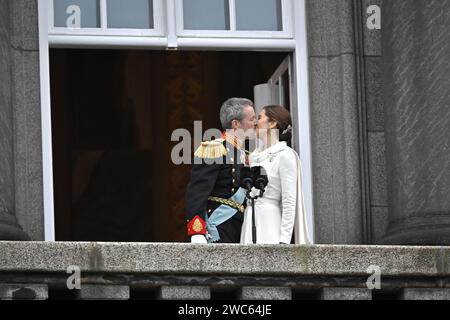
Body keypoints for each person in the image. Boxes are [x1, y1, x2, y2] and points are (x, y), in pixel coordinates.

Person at [186, 98, 257, 244]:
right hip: (220, 226)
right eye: (252, 119)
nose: (256, 123)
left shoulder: (246, 154)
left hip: (242, 228)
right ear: (236, 124)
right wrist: (197, 231)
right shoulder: (213, 148)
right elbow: (197, 191)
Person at [240, 106, 312, 245]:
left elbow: (289, 200)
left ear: (272, 123)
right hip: (249, 219)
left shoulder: (285, 155)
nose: (255, 122)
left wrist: (284, 240)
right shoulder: (252, 156)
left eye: (260, 118)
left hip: (270, 223)